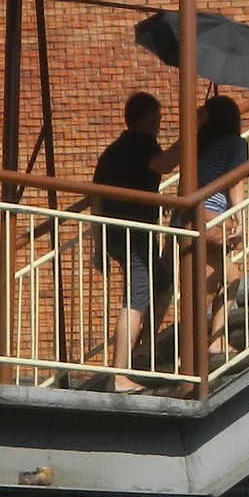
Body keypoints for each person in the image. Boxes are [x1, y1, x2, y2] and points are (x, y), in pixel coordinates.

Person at [91, 91, 175, 387]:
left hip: (116, 233)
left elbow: (96, 198)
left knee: (162, 283)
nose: (160, 123)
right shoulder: (143, 145)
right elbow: (164, 165)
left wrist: (98, 244)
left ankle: (142, 351)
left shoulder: (112, 151)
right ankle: (119, 375)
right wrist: (193, 139)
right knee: (136, 300)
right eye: (158, 117)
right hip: (135, 234)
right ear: (147, 117)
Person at [190, 94, 249, 349]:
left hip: (191, 213)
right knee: (217, 281)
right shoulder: (236, 144)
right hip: (212, 213)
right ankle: (198, 347)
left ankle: (214, 340)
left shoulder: (200, 143)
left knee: (225, 276)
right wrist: (240, 218)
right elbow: (235, 182)